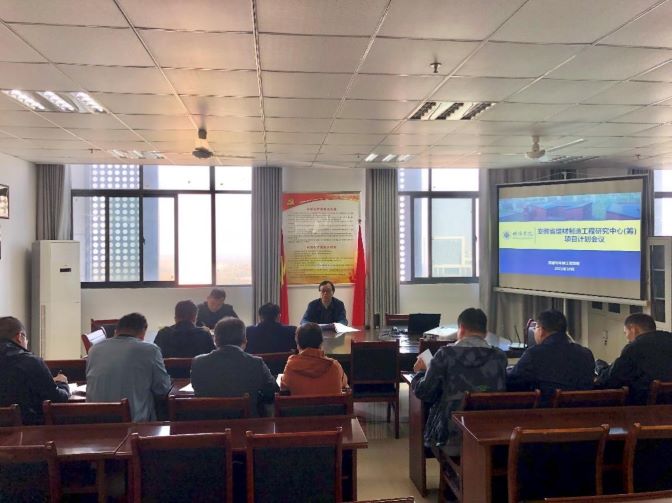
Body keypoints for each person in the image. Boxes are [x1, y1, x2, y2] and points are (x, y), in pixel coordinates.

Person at [411, 308, 507, 456]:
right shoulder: (499, 357)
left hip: (451, 437)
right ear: (486, 332)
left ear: (461, 329)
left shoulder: (445, 355)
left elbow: (425, 393)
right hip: (490, 434)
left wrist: (421, 373)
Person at [86, 312, 171, 422]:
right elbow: (162, 389)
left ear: (116, 331)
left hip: (95, 422)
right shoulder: (150, 350)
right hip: (134, 424)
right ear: (143, 333)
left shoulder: (94, 350)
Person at [191, 317, 278, 416]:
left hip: (208, 421)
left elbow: (197, 390)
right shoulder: (256, 363)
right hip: (247, 422)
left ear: (215, 340)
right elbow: (272, 392)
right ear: (245, 340)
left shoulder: (198, 362)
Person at [507, 309, 595, 405]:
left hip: (545, 412)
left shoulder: (534, 354)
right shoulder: (586, 354)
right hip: (581, 411)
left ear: (541, 330)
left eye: (535, 328)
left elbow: (512, 383)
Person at [0, 316, 70, 425]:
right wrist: (62, 384)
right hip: (27, 430)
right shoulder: (30, 362)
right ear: (19, 337)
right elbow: (57, 399)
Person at [595, 313, 672, 404]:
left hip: (643, 407)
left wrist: (601, 369)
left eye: (626, 332)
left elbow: (612, 379)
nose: (627, 338)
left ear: (633, 329)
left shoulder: (635, 347)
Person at [281, 322, 347, 395]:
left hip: (302, 403)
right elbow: (344, 383)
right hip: (329, 403)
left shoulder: (291, 366)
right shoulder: (335, 367)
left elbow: (283, 389)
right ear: (321, 343)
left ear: (298, 344)